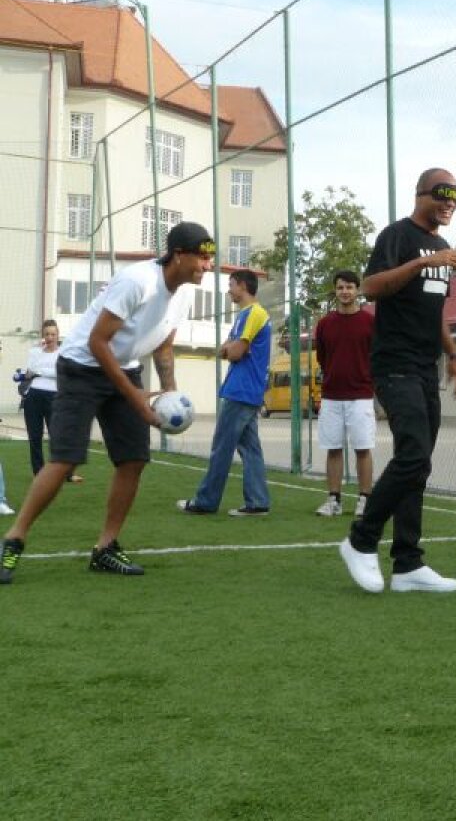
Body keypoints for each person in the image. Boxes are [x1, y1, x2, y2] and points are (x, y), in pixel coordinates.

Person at [0, 222, 213, 583]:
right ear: (179, 255)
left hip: (123, 367)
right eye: (202, 258)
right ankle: (13, 540)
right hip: (82, 366)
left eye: (210, 259)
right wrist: (138, 400)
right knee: (65, 458)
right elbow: (99, 343)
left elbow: (162, 346)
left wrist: (170, 393)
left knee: (133, 459)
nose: (208, 266)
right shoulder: (137, 281)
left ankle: (105, 548)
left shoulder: (186, 294)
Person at [338, 169, 456, 595]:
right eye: (442, 194)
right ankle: (361, 539)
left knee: (420, 463)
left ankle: (408, 562)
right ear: (421, 194)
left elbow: (436, 311)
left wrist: (453, 355)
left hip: (426, 367)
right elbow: (370, 288)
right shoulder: (398, 237)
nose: (449, 202)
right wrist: (424, 262)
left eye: (455, 196)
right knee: (412, 453)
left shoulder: (445, 248)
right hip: (394, 363)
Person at [176, 269, 272, 517]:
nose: (229, 290)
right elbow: (224, 349)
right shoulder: (245, 315)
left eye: (231, 285)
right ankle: (258, 501)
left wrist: (232, 349)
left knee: (222, 447)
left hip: (241, 391)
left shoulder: (255, 314)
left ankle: (205, 501)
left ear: (242, 285)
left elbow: (235, 352)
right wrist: (231, 348)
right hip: (246, 391)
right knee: (250, 449)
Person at [313, 269, 376, 518]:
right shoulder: (325, 324)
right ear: (335, 291)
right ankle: (334, 500)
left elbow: (376, 355)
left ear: (357, 290)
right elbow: (323, 358)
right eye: (340, 287)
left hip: (361, 397)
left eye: (350, 287)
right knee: (333, 448)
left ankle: (365, 500)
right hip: (331, 397)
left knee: (363, 448)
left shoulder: (370, 322)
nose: (345, 292)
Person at [19, 320, 80, 483]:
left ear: (58, 335)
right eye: (47, 334)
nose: (50, 337)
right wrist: (37, 369)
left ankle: (65, 473)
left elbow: (60, 373)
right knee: (35, 437)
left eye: (53, 334)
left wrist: (39, 372)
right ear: (42, 336)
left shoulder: (63, 353)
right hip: (34, 397)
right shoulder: (35, 352)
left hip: (54, 398)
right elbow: (29, 371)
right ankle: (38, 474)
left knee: (58, 437)